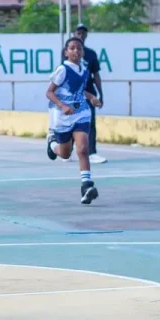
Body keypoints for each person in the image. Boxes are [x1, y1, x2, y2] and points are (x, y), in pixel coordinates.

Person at [45, 37, 102, 205]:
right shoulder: (62, 69)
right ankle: (52, 144)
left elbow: (80, 91)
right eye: (72, 48)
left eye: (79, 48)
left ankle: (87, 185)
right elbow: (49, 92)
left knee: (83, 149)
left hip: (81, 112)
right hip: (62, 115)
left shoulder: (84, 70)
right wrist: (62, 106)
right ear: (66, 52)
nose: (76, 51)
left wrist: (91, 97)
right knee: (64, 153)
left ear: (82, 52)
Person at [73, 24, 107, 164]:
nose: (81, 35)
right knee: (72, 122)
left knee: (90, 123)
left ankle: (92, 152)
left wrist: (100, 94)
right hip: (74, 93)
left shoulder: (91, 54)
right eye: (79, 33)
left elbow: (96, 75)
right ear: (74, 34)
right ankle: (67, 149)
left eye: (83, 33)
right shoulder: (69, 52)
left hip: (89, 93)